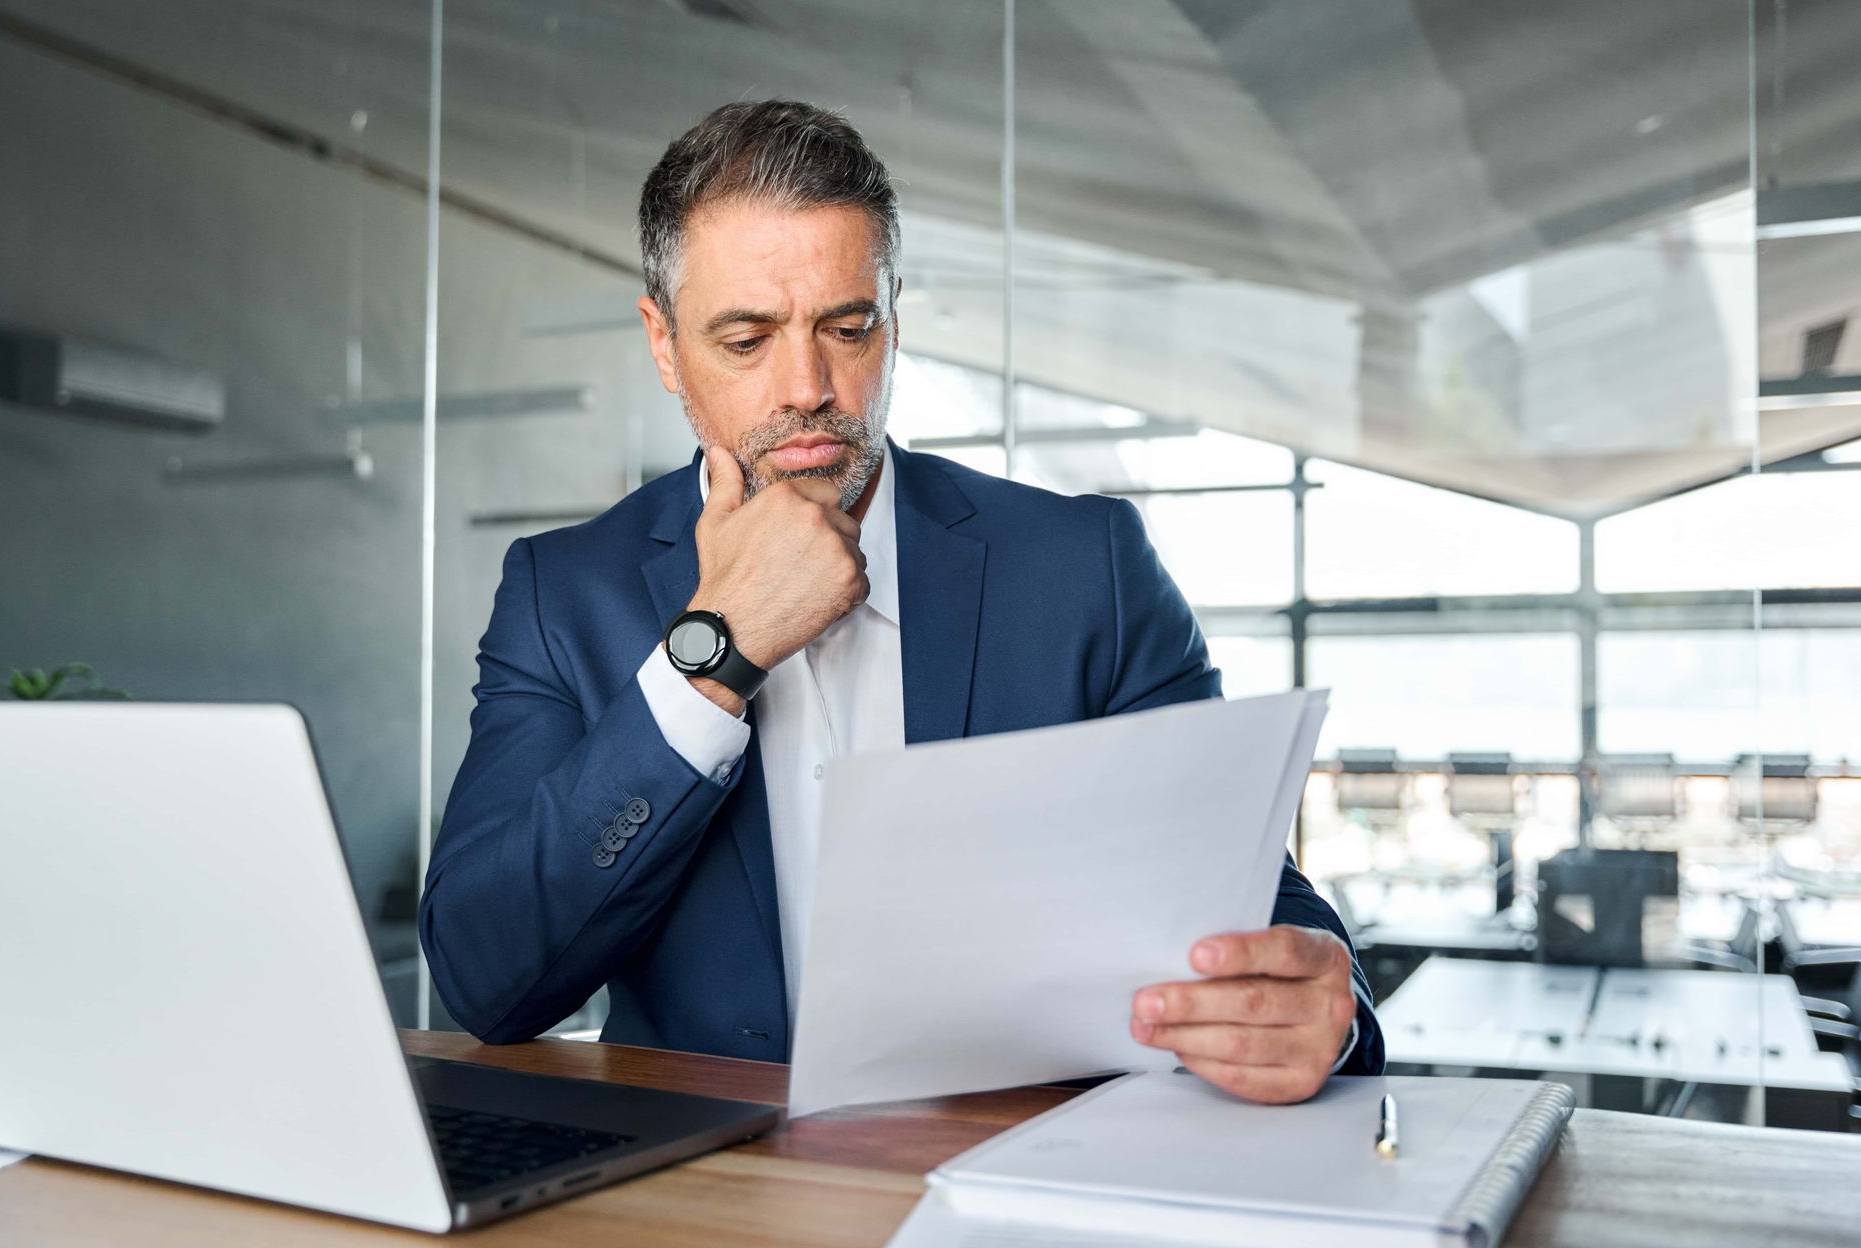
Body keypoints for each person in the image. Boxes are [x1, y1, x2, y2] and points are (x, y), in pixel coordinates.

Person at [421, 100, 1383, 1104]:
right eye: (747, 338)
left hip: (1025, 1178)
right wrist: (713, 658)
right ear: (664, 346)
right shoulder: (566, 593)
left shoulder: (1083, 566)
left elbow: (1244, 890)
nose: (809, 385)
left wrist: (1328, 997)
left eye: (848, 325)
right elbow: (488, 980)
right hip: (709, 1196)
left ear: (893, 317)